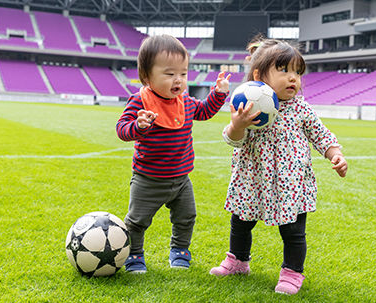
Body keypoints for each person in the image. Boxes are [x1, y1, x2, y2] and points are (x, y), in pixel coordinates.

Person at [209, 38, 348, 295]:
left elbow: (321, 135)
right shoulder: (249, 103)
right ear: (260, 75)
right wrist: (237, 124)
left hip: (290, 182)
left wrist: (335, 154)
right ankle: (238, 260)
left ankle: (292, 271)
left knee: (293, 230)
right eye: (284, 70)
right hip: (252, 178)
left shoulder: (300, 108)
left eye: (297, 71)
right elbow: (232, 139)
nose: (293, 78)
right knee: (240, 221)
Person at [116, 34, 231, 273]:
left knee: (186, 217)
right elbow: (122, 129)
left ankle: (179, 251)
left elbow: (205, 111)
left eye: (183, 73)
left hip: (181, 178)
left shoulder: (185, 102)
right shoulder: (140, 102)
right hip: (148, 179)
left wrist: (219, 94)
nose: (178, 80)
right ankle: (135, 255)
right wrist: (138, 127)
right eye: (169, 74)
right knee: (137, 221)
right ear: (146, 76)